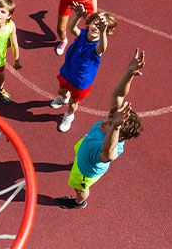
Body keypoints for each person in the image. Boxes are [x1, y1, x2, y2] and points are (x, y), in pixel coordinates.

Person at [55, 49, 145, 209]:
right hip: (85, 147)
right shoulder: (113, 118)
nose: (108, 118)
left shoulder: (112, 148)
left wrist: (115, 125)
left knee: (79, 188)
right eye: (111, 116)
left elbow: (108, 154)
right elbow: (118, 94)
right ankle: (75, 162)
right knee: (78, 154)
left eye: (112, 122)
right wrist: (129, 73)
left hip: (85, 172)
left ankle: (79, 202)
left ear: (119, 134)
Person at [51, 3, 117, 132]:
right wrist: (78, 16)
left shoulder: (98, 46)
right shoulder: (83, 34)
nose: (96, 27)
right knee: (62, 91)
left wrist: (103, 32)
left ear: (106, 32)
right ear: (90, 22)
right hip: (68, 71)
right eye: (95, 23)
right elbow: (72, 29)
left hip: (81, 80)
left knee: (73, 103)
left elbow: (103, 47)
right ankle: (64, 98)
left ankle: (69, 116)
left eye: (101, 27)